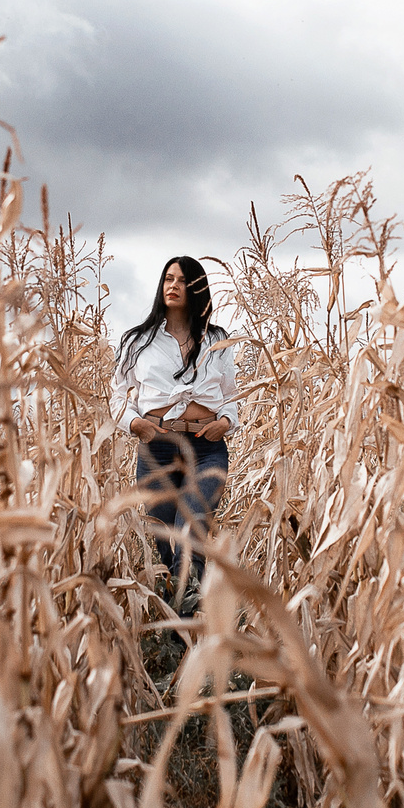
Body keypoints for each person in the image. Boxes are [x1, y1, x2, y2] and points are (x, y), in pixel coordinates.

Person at [113, 256, 238, 614]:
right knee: (165, 544)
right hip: (159, 448)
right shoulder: (138, 340)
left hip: (207, 448)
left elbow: (231, 395)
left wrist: (226, 421)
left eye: (182, 281)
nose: (173, 286)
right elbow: (117, 395)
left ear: (196, 288)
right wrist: (134, 424)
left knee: (191, 530)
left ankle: (191, 617)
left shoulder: (217, 339)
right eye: (168, 279)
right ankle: (178, 630)